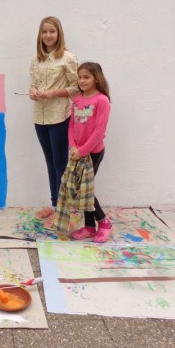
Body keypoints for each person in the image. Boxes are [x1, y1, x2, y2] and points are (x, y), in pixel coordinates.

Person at [29, 16, 79, 227]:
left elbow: (78, 87)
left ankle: (63, 209)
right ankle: (54, 204)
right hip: (39, 117)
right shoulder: (36, 60)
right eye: (44, 32)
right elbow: (33, 84)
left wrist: (54, 93)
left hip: (59, 115)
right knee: (50, 163)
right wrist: (33, 92)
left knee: (60, 164)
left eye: (52, 31)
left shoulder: (68, 58)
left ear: (59, 34)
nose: (48, 35)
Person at [68, 62, 112, 243]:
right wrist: (73, 147)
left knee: (85, 190)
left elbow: (99, 131)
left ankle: (104, 223)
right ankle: (89, 227)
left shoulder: (102, 101)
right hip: (77, 152)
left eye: (86, 77)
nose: (82, 80)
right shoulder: (77, 99)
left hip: (93, 152)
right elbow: (71, 125)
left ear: (96, 79)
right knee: (81, 189)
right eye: (80, 77)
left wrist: (83, 151)